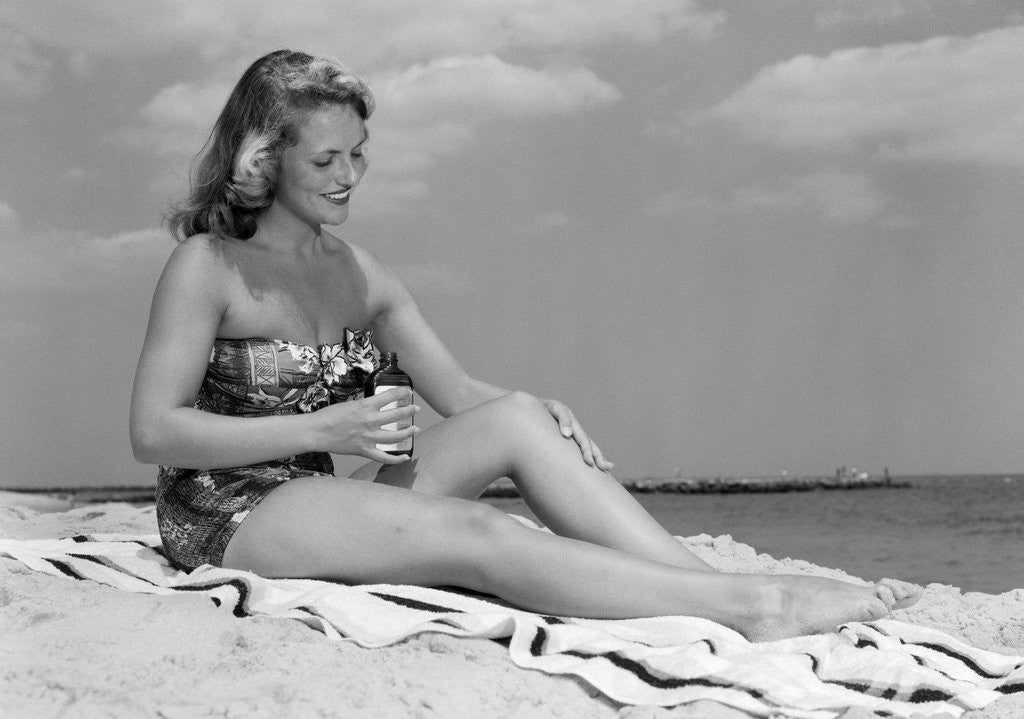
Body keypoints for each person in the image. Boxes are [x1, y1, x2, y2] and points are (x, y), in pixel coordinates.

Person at [130, 49, 919, 642]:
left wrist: (538, 415)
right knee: (482, 536)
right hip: (227, 513)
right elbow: (153, 431)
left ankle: (713, 588)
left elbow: (462, 394)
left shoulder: (356, 272)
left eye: (359, 152)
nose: (349, 176)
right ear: (265, 159)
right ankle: (758, 606)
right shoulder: (209, 265)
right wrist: (319, 431)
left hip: (321, 499)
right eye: (325, 159)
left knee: (513, 418)